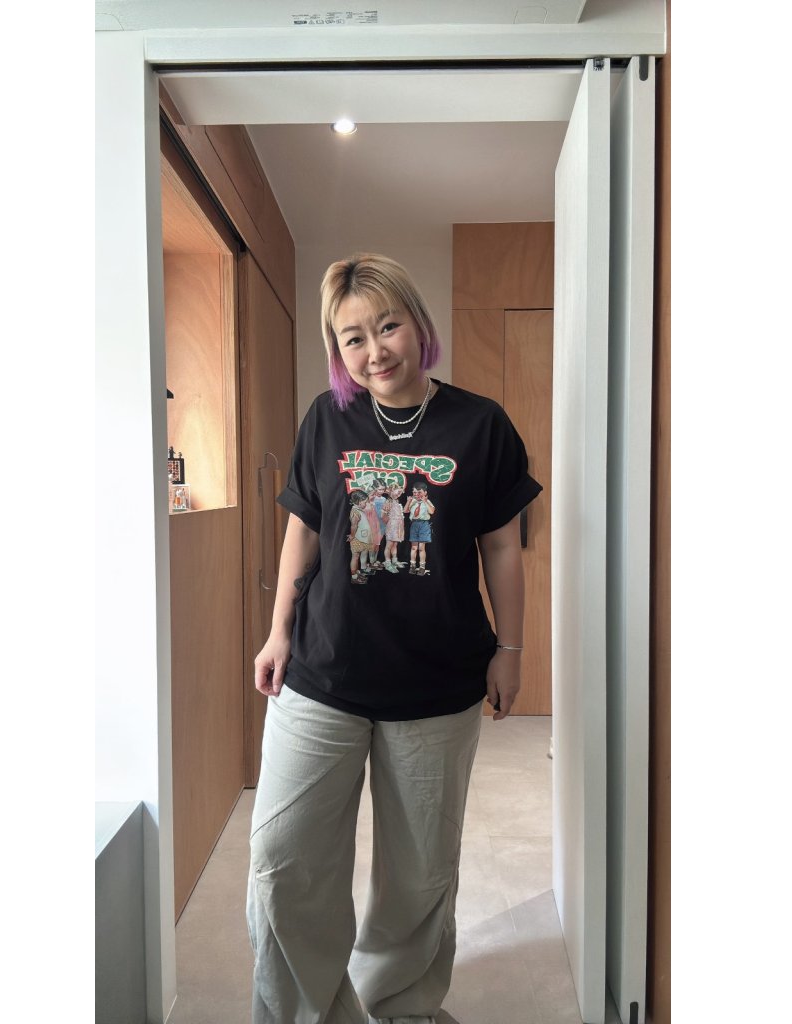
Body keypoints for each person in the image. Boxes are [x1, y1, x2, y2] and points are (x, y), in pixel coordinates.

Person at [249, 253, 541, 1024]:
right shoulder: (326, 418)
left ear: (418, 325)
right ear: (337, 350)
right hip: (322, 673)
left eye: (388, 326)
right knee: (283, 859)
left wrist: (511, 652)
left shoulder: (480, 424)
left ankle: (401, 1007)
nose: (374, 350)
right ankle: (308, 1013)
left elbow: (502, 547)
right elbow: (304, 530)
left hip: (437, 684)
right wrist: (277, 633)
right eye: (353, 338)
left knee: (418, 877)